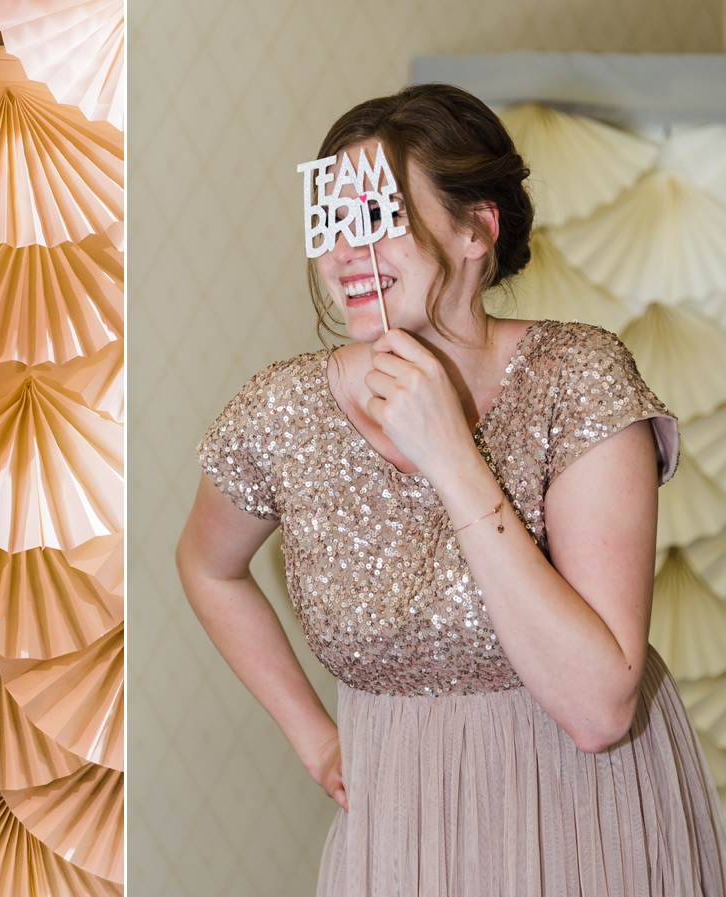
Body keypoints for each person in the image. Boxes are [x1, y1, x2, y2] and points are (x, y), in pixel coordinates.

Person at [175, 83, 726, 897]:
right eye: (333, 222)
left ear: (477, 228)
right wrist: (313, 736)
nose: (344, 254)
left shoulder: (578, 377)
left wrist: (453, 457)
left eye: (378, 217)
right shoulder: (280, 410)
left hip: (588, 810)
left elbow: (599, 710)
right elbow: (206, 566)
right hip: (400, 825)